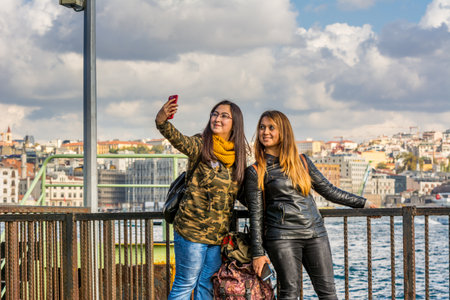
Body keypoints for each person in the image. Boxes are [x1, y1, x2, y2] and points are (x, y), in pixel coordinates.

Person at [245, 110, 377, 300]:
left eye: (271, 127)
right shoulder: (255, 171)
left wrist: (363, 203)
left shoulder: (302, 162)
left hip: (315, 233)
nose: (265, 132)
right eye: (262, 127)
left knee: (328, 294)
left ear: (283, 132)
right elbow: (256, 215)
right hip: (282, 237)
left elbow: (329, 190)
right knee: (289, 293)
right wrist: (258, 253)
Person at [155, 97, 248, 300]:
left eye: (224, 116)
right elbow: (176, 137)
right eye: (215, 114)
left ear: (235, 123)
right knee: (185, 283)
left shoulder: (237, 156)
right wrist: (162, 119)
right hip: (192, 231)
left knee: (206, 285)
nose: (217, 118)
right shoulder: (200, 144)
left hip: (217, 236)